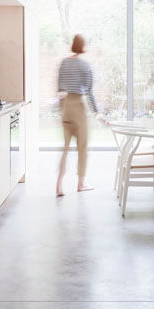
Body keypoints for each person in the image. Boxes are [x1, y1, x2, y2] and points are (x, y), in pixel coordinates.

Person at [56, 34, 101, 197]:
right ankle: (80, 184)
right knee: (82, 146)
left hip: (66, 105)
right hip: (79, 107)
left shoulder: (64, 63)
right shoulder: (85, 65)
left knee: (65, 146)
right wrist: (97, 112)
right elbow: (89, 92)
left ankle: (59, 186)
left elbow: (59, 88)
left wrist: (62, 109)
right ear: (83, 46)